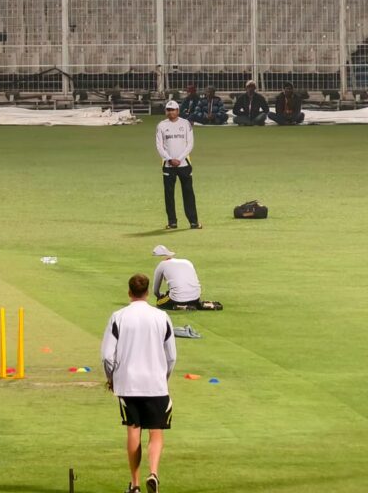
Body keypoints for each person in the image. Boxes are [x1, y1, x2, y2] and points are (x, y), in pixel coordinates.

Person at [101, 273, 177, 493]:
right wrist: (163, 378)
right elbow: (171, 356)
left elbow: (107, 356)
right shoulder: (162, 317)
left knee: (133, 431)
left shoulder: (118, 317)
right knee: (156, 431)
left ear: (129, 292)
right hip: (155, 383)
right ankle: (153, 473)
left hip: (128, 383)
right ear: (147, 292)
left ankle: (134, 485)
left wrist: (111, 378)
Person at [156, 100, 200, 230]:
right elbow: (159, 146)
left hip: (184, 164)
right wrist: (169, 159)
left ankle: (193, 222)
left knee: (188, 193)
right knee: (169, 195)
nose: (171, 112)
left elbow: (190, 144)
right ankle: (172, 222)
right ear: (166, 111)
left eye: (173, 110)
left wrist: (179, 159)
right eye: (168, 110)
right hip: (168, 165)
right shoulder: (161, 125)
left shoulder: (185, 124)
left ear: (178, 111)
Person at [151, 245, 206, 311]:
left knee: (159, 302)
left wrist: (160, 295)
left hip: (177, 300)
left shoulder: (162, 264)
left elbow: (155, 291)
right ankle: (198, 304)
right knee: (171, 293)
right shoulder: (187, 261)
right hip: (196, 298)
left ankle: (180, 306)